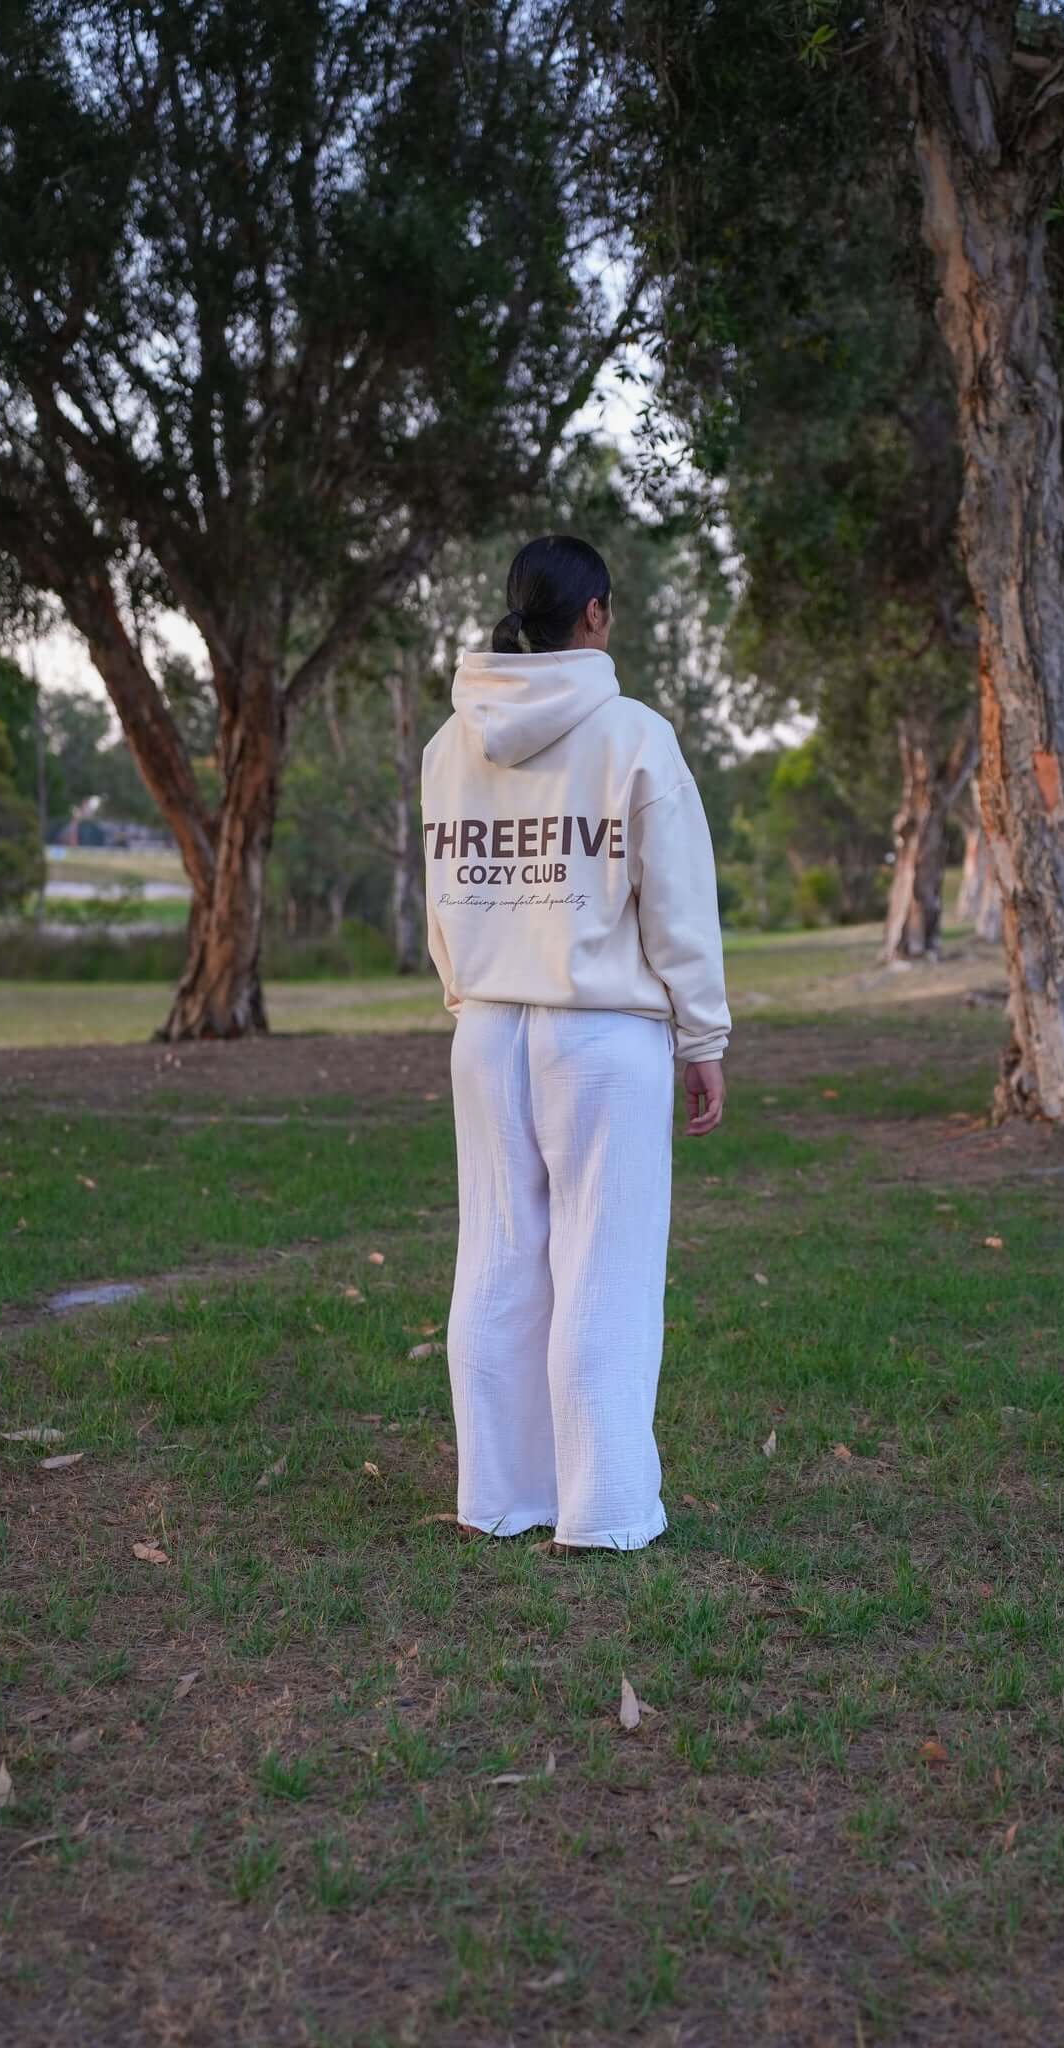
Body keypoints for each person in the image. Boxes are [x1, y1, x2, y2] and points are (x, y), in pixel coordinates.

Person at [421, 535, 731, 1554]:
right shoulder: (634, 734)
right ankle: (602, 1510)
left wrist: (469, 994)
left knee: (498, 1261)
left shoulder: (448, 744)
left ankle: (498, 1496)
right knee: (606, 1265)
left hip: (488, 1027)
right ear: (593, 613)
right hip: (601, 1031)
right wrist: (703, 1031)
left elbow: (442, 897)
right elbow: (677, 900)